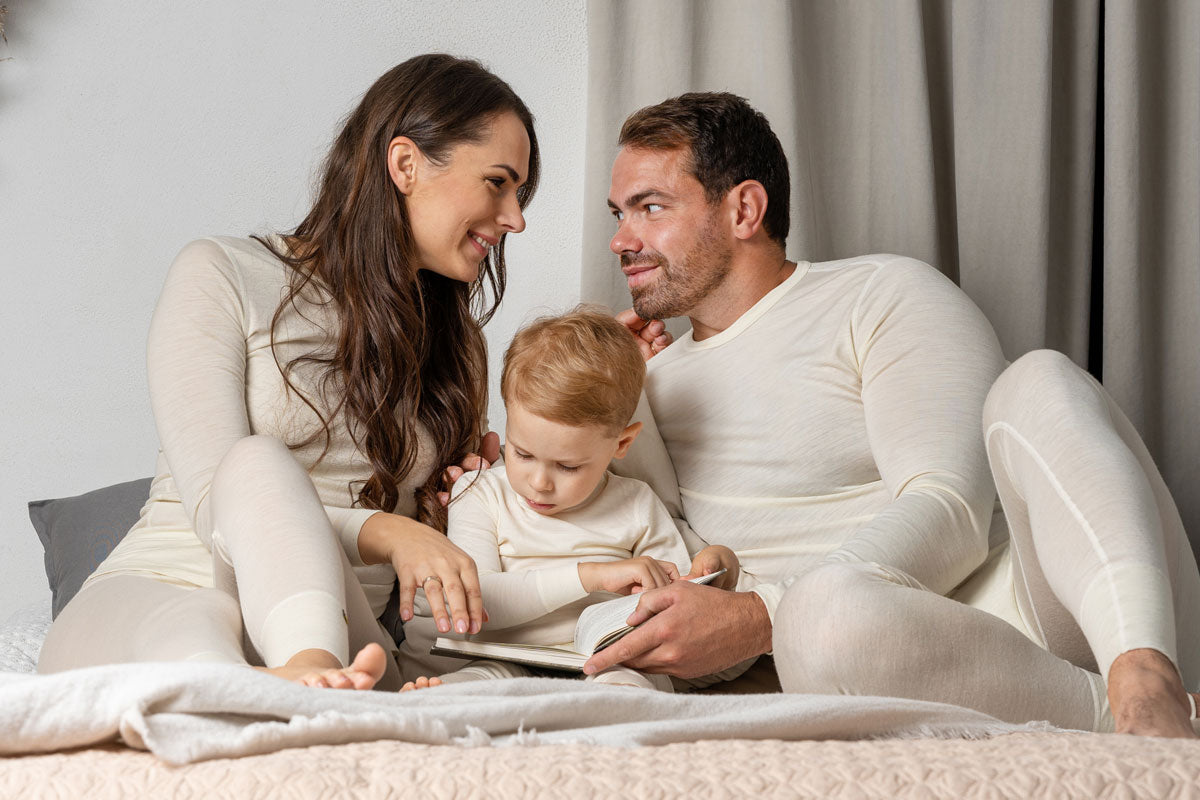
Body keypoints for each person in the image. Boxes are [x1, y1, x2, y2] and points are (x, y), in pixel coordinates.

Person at [588, 91, 1200, 737]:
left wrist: (761, 613)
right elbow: (648, 548)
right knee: (819, 617)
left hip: (1054, 616)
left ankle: (1146, 680)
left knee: (1038, 379)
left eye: (649, 208)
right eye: (618, 214)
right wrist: (614, 389)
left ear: (744, 208)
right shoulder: (652, 387)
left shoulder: (880, 292)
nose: (620, 239)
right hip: (859, 652)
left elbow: (952, 507)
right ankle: (1109, 720)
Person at [37, 54, 541, 692]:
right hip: (173, 585)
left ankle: (300, 676)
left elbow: (440, 560)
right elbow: (214, 503)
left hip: (345, 631)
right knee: (251, 474)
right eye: (497, 182)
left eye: (519, 193)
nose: (515, 217)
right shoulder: (223, 273)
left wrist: (469, 503)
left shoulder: (459, 346)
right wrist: (390, 532)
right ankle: (276, 685)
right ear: (406, 164)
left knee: (229, 640)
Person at [397, 308, 742, 692]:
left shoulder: (636, 504)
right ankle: (445, 703)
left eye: (568, 466)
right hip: (497, 655)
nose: (540, 483)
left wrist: (717, 570)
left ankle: (599, 731)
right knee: (480, 683)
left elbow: (679, 604)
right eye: (522, 454)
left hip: (605, 665)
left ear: (622, 443)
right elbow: (479, 597)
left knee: (633, 686)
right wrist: (592, 576)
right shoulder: (479, 493)